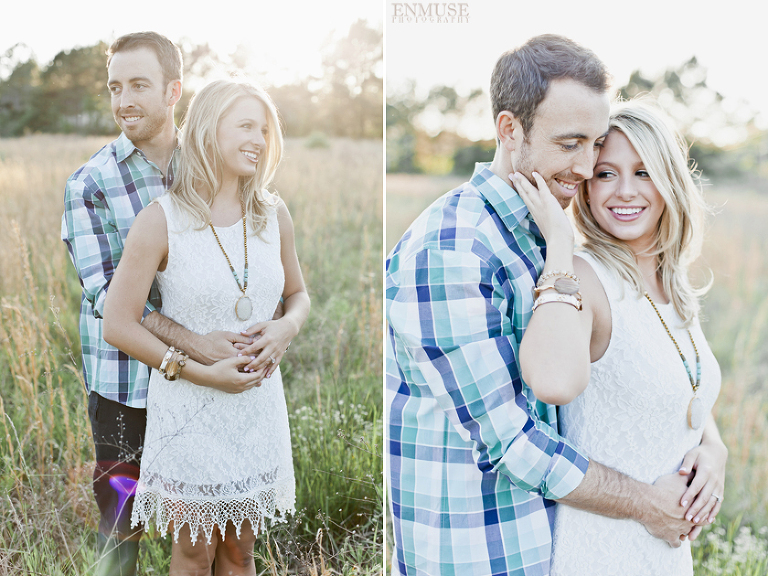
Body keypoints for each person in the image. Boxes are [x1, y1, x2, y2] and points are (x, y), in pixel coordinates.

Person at [385, 34, 724, 575]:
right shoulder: (452, 250)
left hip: (553, 546)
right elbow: (511, 442)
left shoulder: (542, 232)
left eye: (595, 145)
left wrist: (712, 446)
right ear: (509, 130)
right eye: (571, 144)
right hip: (477, 552)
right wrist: (647, 504)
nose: (588, 168)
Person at [61, 32, 266, 575]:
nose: (123, 100)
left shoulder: (211, 167)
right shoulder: (90, 184)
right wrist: (196, 346)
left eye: (138, 85)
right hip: (126, 386)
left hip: (208, 390)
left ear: (174, 91)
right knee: (121, 526)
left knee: (213, 529)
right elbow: (112, 302)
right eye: (115, 87)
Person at [102, 77, 309, 573]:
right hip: (189, 407)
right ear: (208, 130)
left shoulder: (273, 214)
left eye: (264, 130)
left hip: (257, 407)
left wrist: (286, 328)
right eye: (245, 126)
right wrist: (199, 371)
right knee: (195, 553)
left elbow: (298, 296)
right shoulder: (161, 220)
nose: (259, 140)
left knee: (240, 552)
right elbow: (117, 322)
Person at [514, 100, 725, 574]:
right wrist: (560, 247)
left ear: (670, 181)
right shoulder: (583, 276)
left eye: (643, 172)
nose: (624, 191)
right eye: (606, 173)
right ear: (587, 189)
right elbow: (552, 382)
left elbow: (680, 387)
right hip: (600, 550)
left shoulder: (671, 283)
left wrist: (715, 447)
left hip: (666, 554)